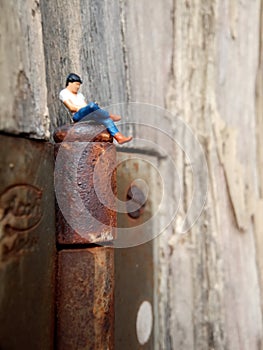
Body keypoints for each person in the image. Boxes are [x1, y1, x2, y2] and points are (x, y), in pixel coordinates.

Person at [59, 73, 132, 144]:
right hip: (77, 116)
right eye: (77, 84)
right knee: (92, 106)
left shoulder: (79, 95)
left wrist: (89, 108)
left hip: (85, 114)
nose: (78, 87)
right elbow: (72, 108)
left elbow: (85, 105)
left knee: (106, 120)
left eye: (79, 85)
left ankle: (119, 137)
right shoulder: (64, 93)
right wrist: (88, 108)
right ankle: (108, 115)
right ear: (70, 83)